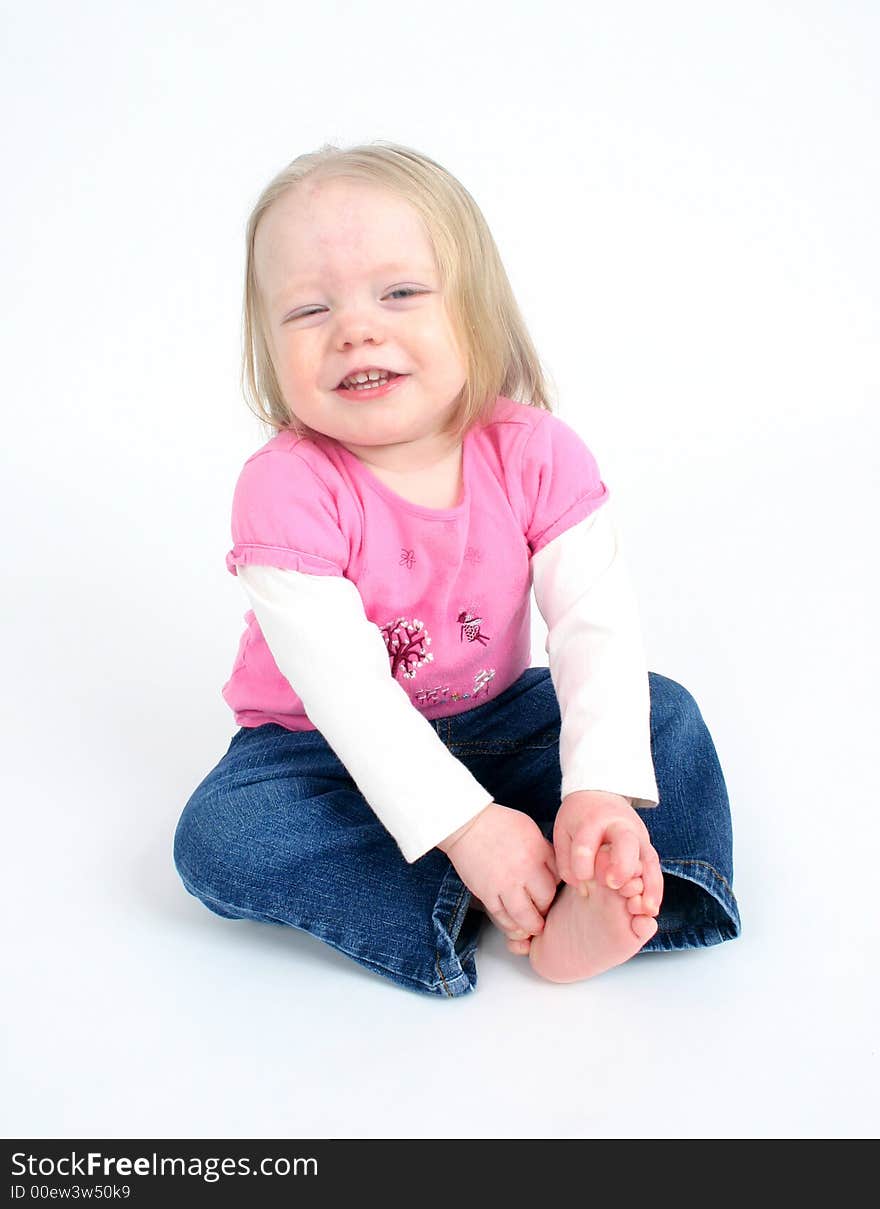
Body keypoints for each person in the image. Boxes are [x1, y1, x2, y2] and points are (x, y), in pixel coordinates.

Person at [173, 140, 741, 998]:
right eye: (307, 311)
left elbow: (593, 623)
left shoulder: (535, 450)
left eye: (399, 292)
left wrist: (597, 788)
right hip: (320, 751)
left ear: (476, 312)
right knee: (224, 834)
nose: (356, 328)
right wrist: (466, 828)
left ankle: (608, 876)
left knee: (661, 712)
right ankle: (478, 894)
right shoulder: (285, 488)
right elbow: (350, 696)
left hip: (498, 715)